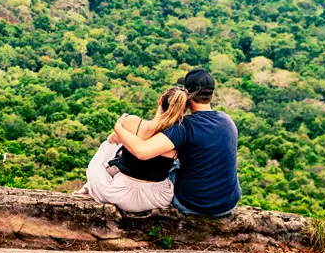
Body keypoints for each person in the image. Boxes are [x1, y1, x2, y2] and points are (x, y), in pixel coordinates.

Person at [113, 68, 241, 217]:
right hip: (228, 203)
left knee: (168, 161)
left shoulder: (184, 127)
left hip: (194, 204)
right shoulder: (227, 120)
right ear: (211, 94)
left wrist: (118, 128)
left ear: (187, 94)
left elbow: (142, 152)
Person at [77, 86, 190, 213]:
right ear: (182, 111)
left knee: (112, 145)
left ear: (160, 101)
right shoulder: (180, 135)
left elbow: (112, 140)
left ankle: (93, 183)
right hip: (157, 198)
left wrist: (120, 128)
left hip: (119, 194)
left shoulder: (132, 122)